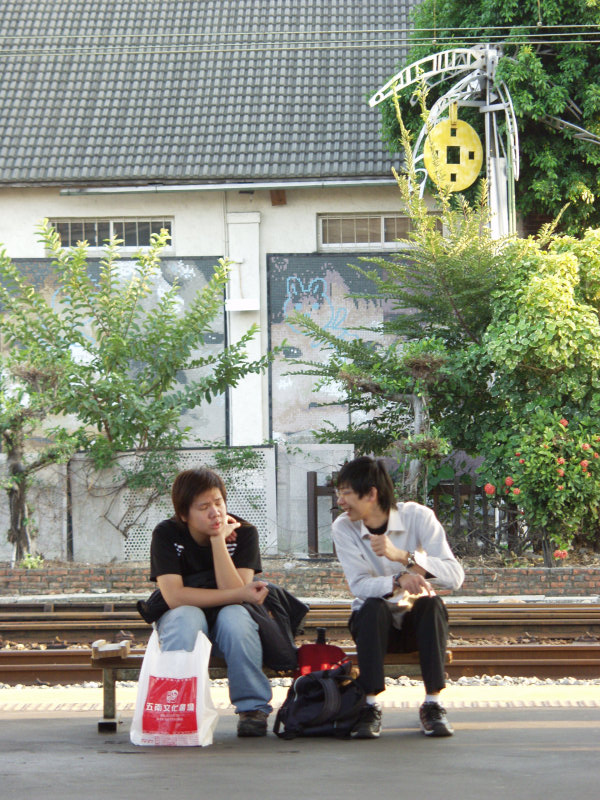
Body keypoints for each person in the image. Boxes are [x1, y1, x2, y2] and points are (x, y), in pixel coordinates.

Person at [331, 456, 465, 739]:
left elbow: (455, 575)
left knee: (431, 604)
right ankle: (369, 706)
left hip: (416, 626)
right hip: (373, 628)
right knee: (371, 607)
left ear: (371, 494)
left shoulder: (417, 516)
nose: (340, 502)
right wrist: (398, 579)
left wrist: (404, 556)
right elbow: (359, 585)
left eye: (346, 493)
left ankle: (433, 705)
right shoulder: (344, 527)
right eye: (338, 493)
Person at [149, 467, 273, 738]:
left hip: (228, 626)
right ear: (184, 515)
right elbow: (175, 597)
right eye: (203, 507)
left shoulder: (244, 533)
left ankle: (252, 709)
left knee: (235, 618)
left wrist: (218, 540)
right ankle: (179, 707)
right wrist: (240, 594)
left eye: (218, 503)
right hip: (185, 621)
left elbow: (238, 596)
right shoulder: (167, 534)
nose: (215, 512)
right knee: (186, 616)